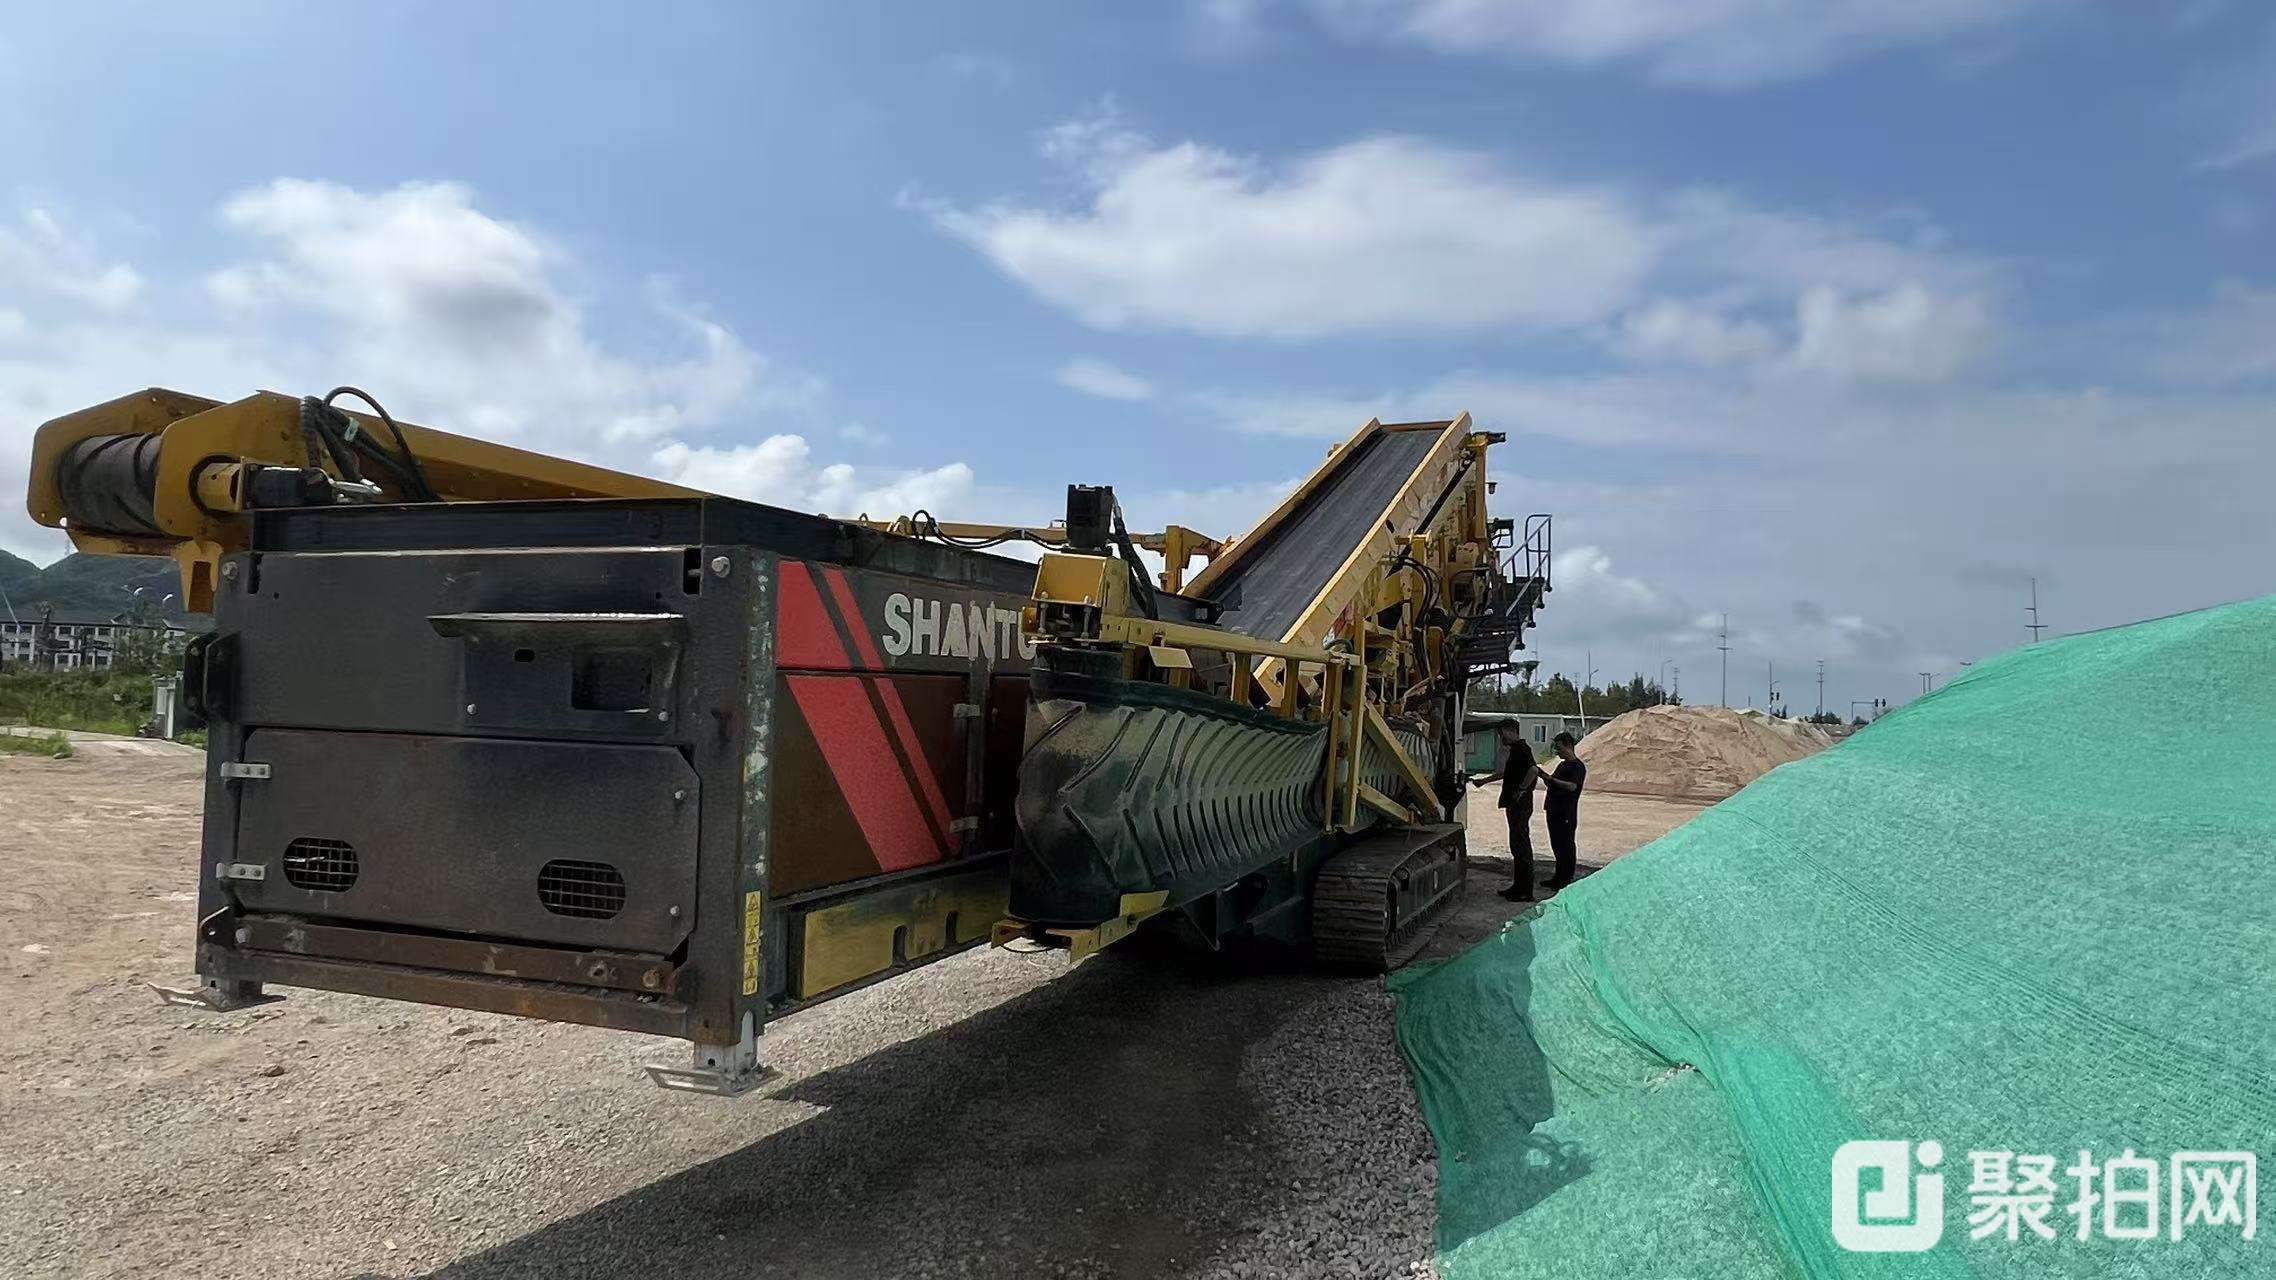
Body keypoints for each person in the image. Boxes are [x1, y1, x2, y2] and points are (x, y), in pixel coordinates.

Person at [1470, 722, 1539, 902]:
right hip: (1514, 804)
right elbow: (1504, 773)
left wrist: (1522, 789)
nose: (1501, 738)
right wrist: (1483, 781)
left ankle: (1525, 891)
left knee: (1521, 846)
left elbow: (1534, 770)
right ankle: (1518, 886)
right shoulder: (1515, 750)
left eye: (1502, 734)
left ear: (1512, 731)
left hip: (1520, 804)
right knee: (1516, 846)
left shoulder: (1522, 749)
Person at [1539, 731, 1588, 890]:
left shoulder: (1577, 767)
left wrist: (1552, 780)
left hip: (1566, 812)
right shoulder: (1562, 765)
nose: (1557, 751)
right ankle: (1558, 876)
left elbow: (1572, 786)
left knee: (1566, 846)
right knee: (1557, 845)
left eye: (1559, 748)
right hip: (1554, 809)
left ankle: (1565, 878)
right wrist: (1545, 777)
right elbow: (1553, 782)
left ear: (1569, 746)